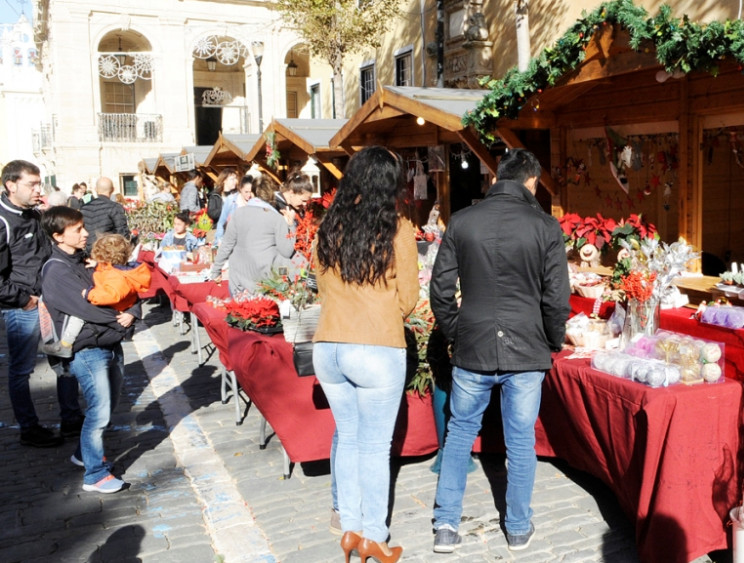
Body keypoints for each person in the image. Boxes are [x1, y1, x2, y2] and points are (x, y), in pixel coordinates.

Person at [430, 148, 570, 553]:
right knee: (520, 439)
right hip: (526, 348)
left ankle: (445, 524)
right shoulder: (545, 226)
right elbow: (556, 298)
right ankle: (518, 527)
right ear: (531, 182)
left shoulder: (462, 221)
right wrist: (552, 339)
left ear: (496, 179)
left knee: (459, 434)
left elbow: (439, 291)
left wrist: (457, 330)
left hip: (474, 344)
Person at [312, 146, 417, 563]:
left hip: (329, 345)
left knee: (350, 441)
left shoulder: (329, 225)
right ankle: (373, 535)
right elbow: (408, 298)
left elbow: (321, 288)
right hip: (375, 344)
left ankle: (350, 529)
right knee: (374, 448)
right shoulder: (398, 227)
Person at [41, 206, 140, 493]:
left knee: (107, 408)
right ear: (59, 236)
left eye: (83, 227)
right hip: (87, 350)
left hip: (109, 344)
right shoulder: (56, 271)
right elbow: (89, 310)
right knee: (99, 412)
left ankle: (84, 455)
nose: (86, 233)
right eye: (78, 230)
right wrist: (123, 323)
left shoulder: (87, 261)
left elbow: (129, 286)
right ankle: (95, 475)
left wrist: (132, 311)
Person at [0, 160, 83, 447]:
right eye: (32, 184)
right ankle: (29, 428)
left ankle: (72, 419)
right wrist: (23, 300)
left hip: (50, 301)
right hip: (23, 308)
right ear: (11, 185)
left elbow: (49, 252)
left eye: (39, 183)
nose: (39, 189)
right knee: (22, 370)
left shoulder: (35, 215)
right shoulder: (3, 221)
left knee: (64, 360)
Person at [208, 175, 295, 297]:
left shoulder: (238, 214)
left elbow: (227, 245)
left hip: (239, 282)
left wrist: (216, 270)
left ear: (253, 193)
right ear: (271, 195)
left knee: (241, 314)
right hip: (265, 282)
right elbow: (286, 251)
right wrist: (291, 226)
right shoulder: (277, 218)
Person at [85, 233, 151, 321]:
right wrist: (97, 265)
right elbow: (108, 268)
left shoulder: (117, 276)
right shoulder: (119, 270)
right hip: (122, 309)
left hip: (117, 312)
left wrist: (89, 294)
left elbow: (111, 295)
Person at [81, 177, 129, 253]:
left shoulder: (84, 208)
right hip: (107, 253)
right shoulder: (115, 208)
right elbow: (122, 234)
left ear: (95, 189)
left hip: (88, 252)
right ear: (113, 189)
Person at [216, 174, 253, 243]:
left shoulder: (256, 202)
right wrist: (219, 240)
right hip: (233, 240)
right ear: (240, 189)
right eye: (246, 192)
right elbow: (221, 222)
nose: (249, 195)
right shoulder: (231, 200)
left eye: (251, 192)